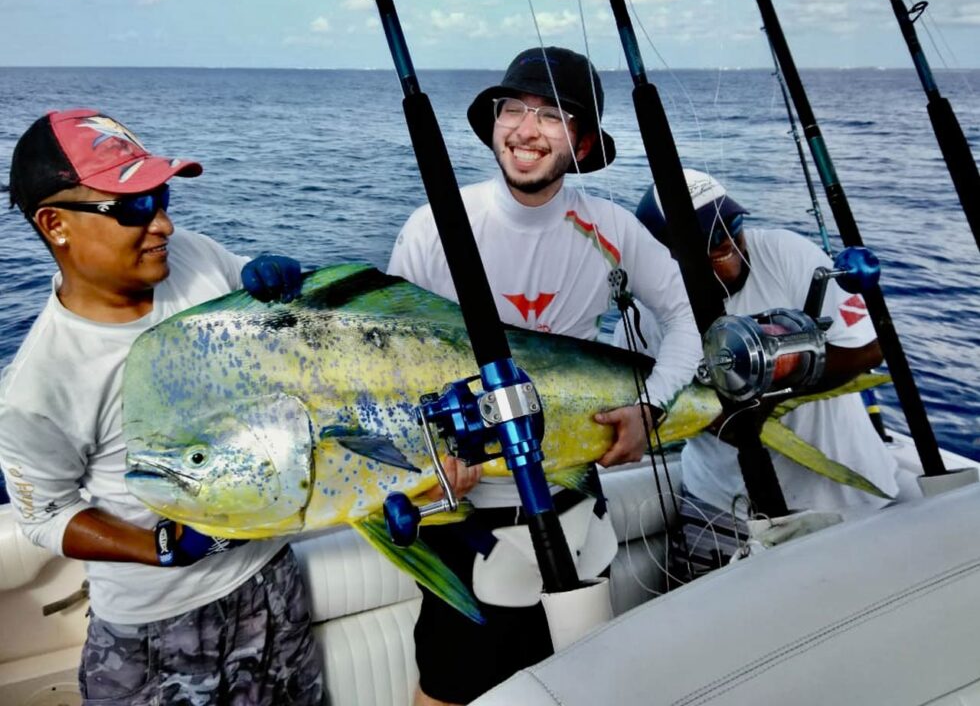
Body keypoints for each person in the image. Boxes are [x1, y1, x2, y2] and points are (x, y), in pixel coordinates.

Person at [388, 47, 701, 705]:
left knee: (573, 680)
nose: (526, 130)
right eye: (514, 110)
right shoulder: (432, 227)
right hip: (463, 511)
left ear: (581, 140)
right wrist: (428, 454)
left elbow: (691, 321)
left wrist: (655, 407)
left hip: (572, 499)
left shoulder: (612, 228)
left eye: (552, 115)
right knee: (450, 689)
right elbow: (394, 367)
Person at [0, 109, 324, 705]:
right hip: (157, 621)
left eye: (161, 195)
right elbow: (44, 515)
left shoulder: (196, 259)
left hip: (269, 577)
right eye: (132, 207)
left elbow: (281, 344)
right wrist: (161, 549)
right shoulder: (38, 385)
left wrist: (282, 292)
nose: (165, 225)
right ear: (56, 224)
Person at [621, 168, 912, 572]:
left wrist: (770, 393)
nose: (728, 242)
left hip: (847, 498)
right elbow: (639, 402)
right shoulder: (639, 318)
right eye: (708, 238)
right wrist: (711, 419)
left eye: (732, 224)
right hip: (719, 506)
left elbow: (869, 348)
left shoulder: (787, 254)